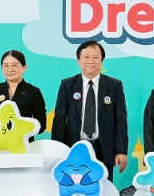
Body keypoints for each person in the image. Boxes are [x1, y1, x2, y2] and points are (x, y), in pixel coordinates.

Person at [52, 41, 128, 181]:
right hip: (74, 148)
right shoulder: (67, 85)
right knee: (74, 187)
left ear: (102, 60)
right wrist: (58, 150)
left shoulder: (114, 85)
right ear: (78, 60)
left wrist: (121, 151)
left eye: (96, 57)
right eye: (86, 57)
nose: (91, 61)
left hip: (104, 148)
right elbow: (59, 120)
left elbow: (121, 120)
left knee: (105, 188)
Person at [0, 50, 47, 136]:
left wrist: (20, 130)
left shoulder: (33, 92)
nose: (10, 69)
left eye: (14, 65)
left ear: (24, 68)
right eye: (6, 65)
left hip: (23, 142)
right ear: (1, 68)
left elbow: (41, 125)